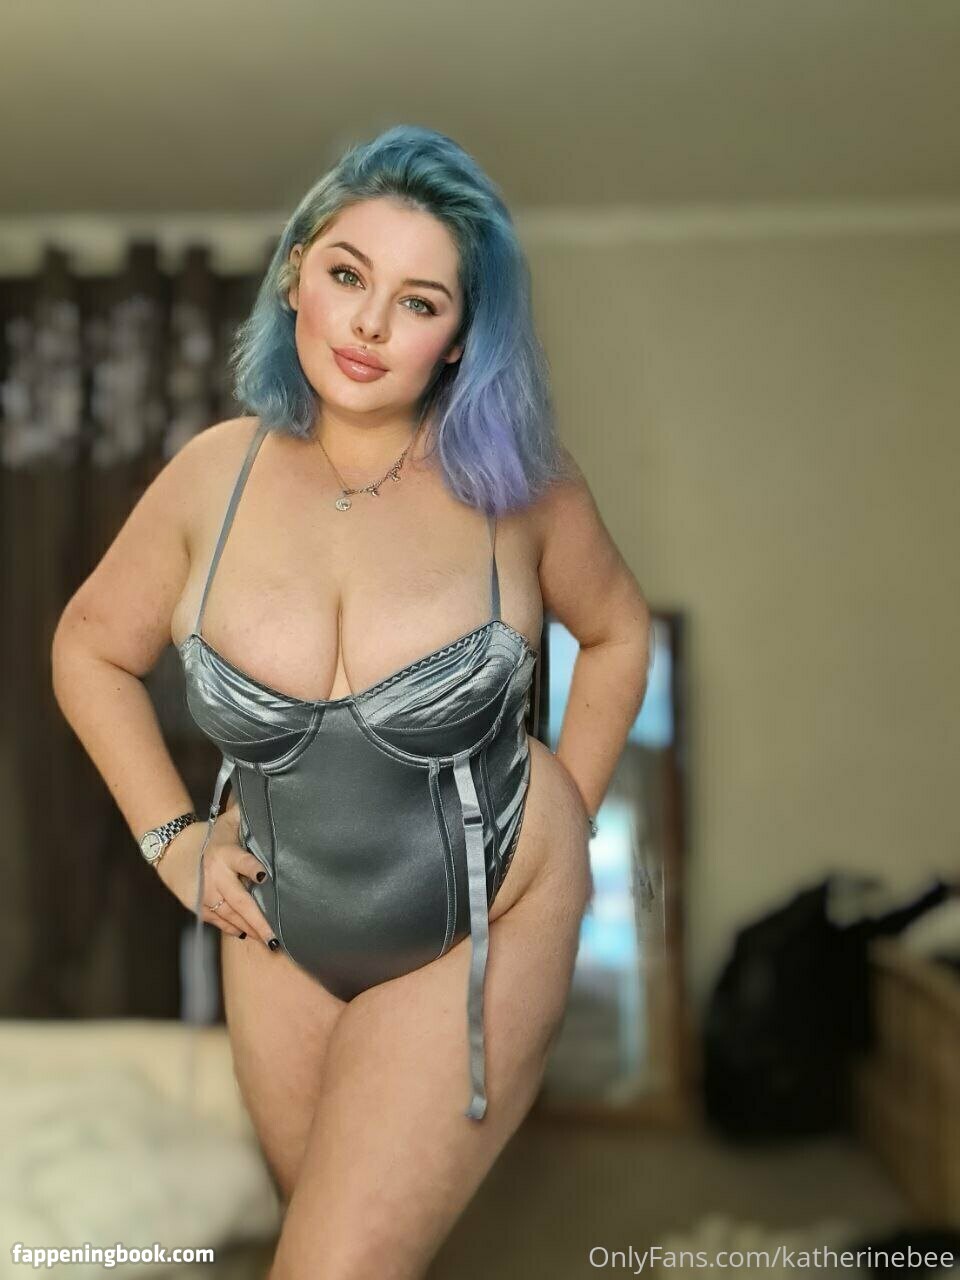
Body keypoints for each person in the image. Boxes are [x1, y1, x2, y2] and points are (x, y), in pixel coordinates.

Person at [51, 124, 652, 1279]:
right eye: (347, 274)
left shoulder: (520, 486)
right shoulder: (211, 478)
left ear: (459, 336)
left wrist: (564, 813)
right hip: (278, 929)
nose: (370, 323)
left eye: (418, 300)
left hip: (487, 907)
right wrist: (174, 840)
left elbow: (620, 632)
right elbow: (88, 645)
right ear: (296, 276)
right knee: (340, 1245)